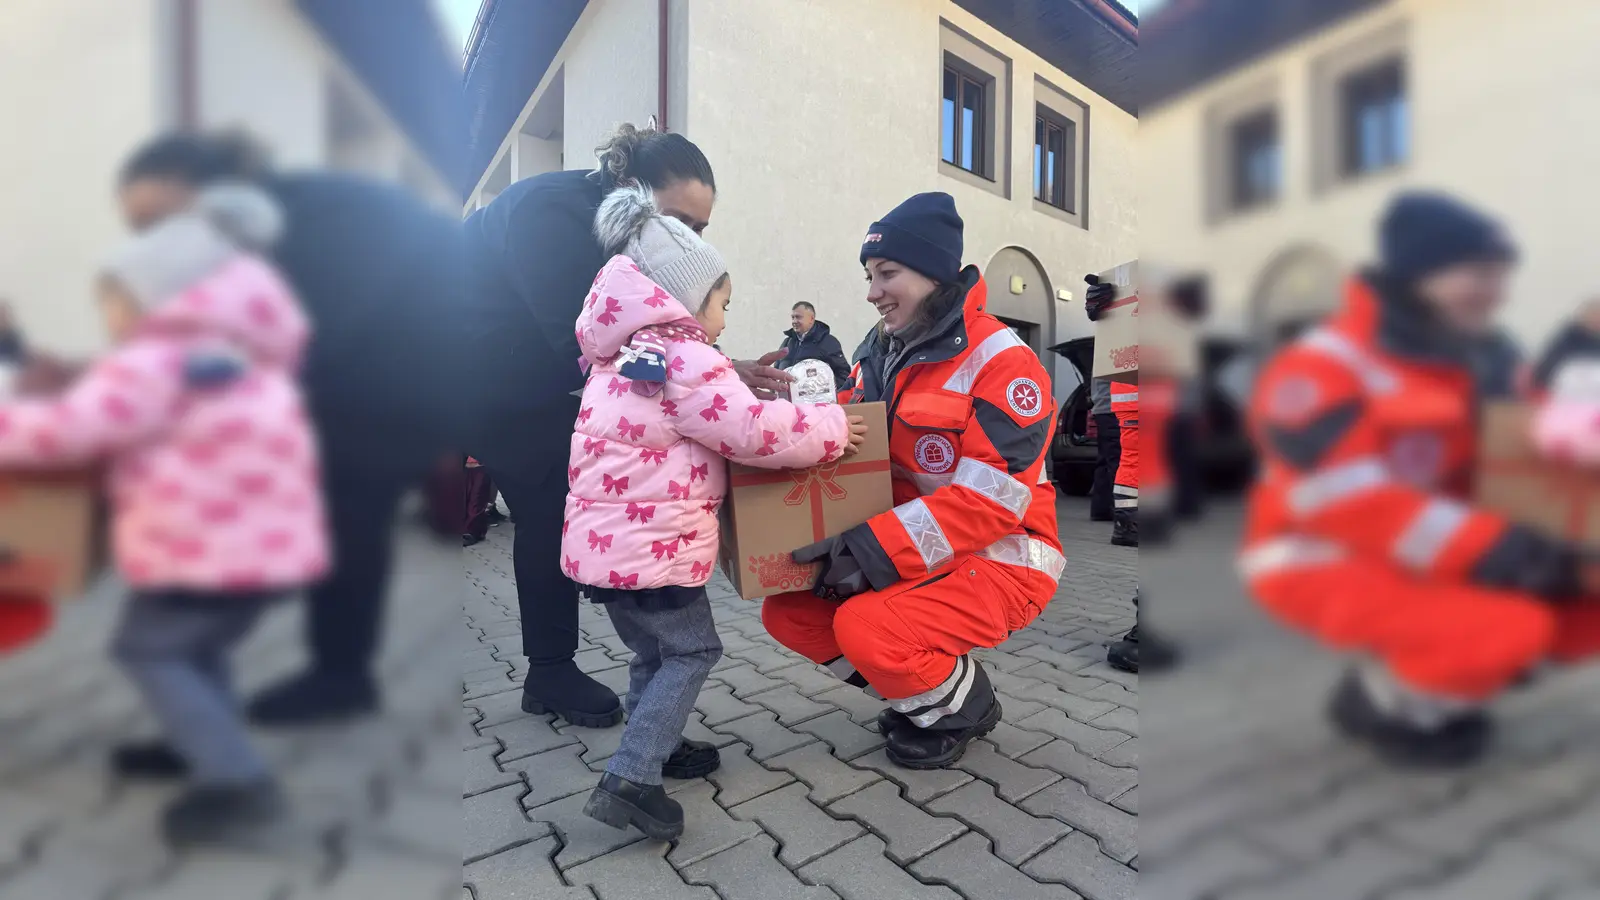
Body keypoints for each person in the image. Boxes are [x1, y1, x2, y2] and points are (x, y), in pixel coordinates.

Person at [0, 184, 329, 845]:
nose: (110, 315)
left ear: (160, 297)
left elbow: (69, 430)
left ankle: (237, 783)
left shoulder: (155, 362)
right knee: (197, 648)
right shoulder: (240, 360)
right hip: (263, 551)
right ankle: (197, 739)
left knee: (147, 650)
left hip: (200, 552)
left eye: (114, 299)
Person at [116, 132, 468, 726]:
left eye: (156, 217)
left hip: (406, 379)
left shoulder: (311, 218)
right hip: (386, 374)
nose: (153, 237)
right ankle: (283, 679)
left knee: (341, 513)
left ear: (200, 189)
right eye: (139, 226)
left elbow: (311, 335)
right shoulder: (273, 220)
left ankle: (319, 680)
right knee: (339, 519)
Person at [1243, 191, 1600, 768]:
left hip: (1437, 550)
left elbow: (1542, 434)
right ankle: (1385, 703)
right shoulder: (1322, 364)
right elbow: (1347, 502)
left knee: (1587, 605)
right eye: (1480, 273)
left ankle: (1458, 669)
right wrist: (1511, 552)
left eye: (1500, 275)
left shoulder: (1482, 355)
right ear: (1420, 272)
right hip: (1320, 556)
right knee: (1514, 628)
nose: (1497, 292)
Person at [458, 124, 793, 730]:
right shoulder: (552, 217)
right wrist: (714, 383)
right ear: (630, 191)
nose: (684, 240)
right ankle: (550, 670)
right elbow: (584, 347)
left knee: (582, 498)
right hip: (490, 381)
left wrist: (723, 369)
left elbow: (653, 336)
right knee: (549, 507)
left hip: (535, 373)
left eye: (698, 230)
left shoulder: (623, 243)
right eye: (677, 221)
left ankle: (607, 631)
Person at [568, 185, 858, 840]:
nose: (725, 319)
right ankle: (631, 779)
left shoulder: (618, 358)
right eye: (722, 303)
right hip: (657, 552)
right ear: (685, 299)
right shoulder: (686, 355)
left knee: (651, 655)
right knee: (694, 650)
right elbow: (754, 431)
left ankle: (657, 744)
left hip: (607, 555)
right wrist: (830, 427)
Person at [762, 193, 1063, 770]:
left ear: (933, 273)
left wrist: (869, 548)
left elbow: (989, 503)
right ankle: (922, 691)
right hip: (918, 551)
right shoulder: (879, 351)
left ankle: (962, 705)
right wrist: (770, 423)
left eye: (887, 273)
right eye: (869, 275)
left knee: (864, 625)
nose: (872, 291)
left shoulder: (1005, 361)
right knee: (787, 613)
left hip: (1004, 556)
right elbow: (844, 433)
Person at [777, 301, 851, 390]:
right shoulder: (787, 343)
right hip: (788, 401)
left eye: (798, 317)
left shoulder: (828, 342)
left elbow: (843, 374)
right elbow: (776, 371)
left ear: (811, 319)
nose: (794, 321)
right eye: (793, 317)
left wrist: (824, 391)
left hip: (817, 402)